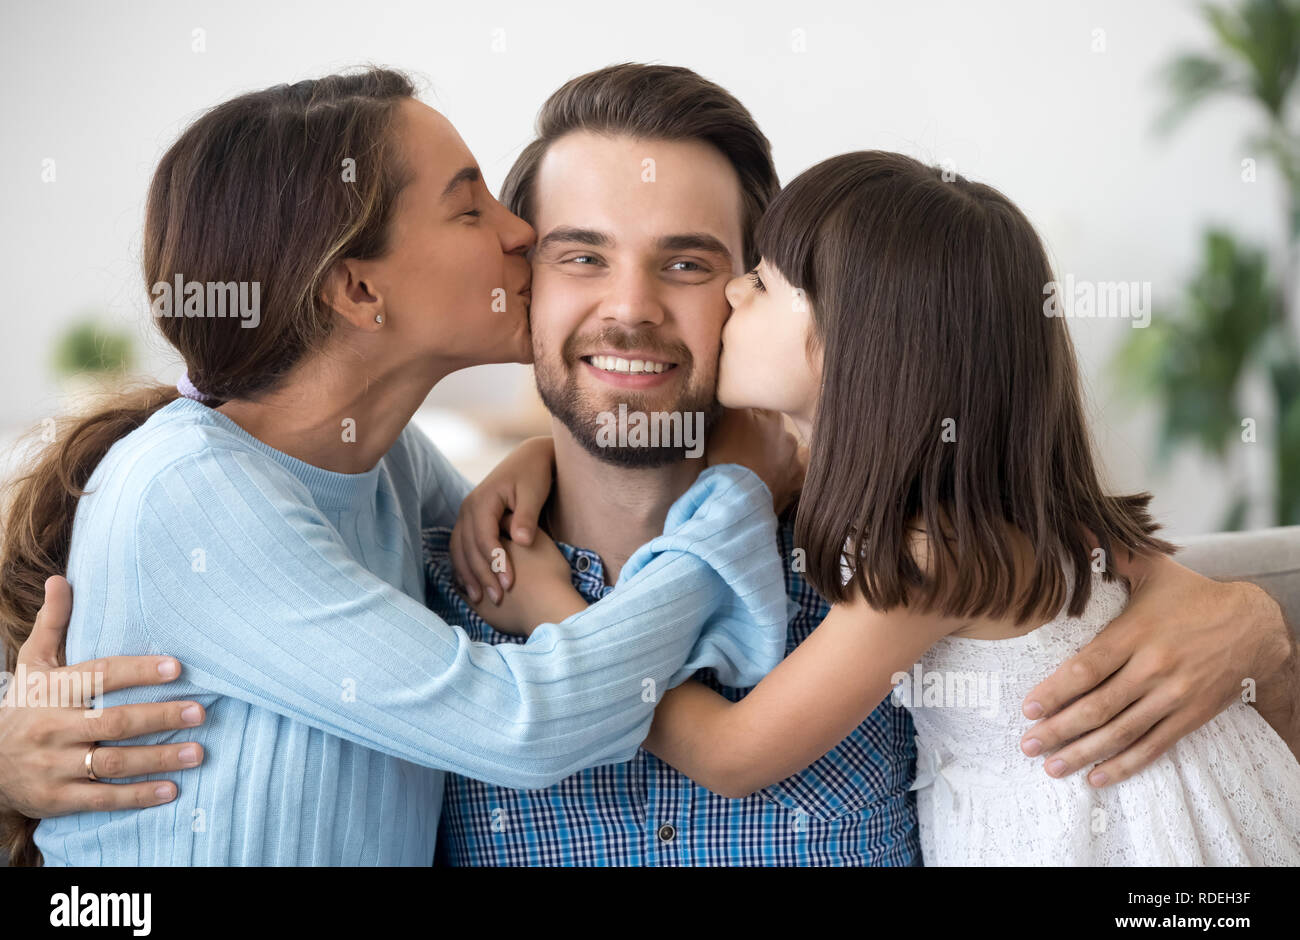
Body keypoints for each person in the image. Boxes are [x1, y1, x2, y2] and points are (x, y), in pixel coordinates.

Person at [432, 66, 1298, 865]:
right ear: (524, 285)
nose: (630, 306)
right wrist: (538, 453)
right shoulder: (429, 586)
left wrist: (1253, 620)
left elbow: (734, 755)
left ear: (855, 343)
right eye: (583, 256)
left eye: (701, 266)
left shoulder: (885, 546)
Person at [0, 67, 796, 866]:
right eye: (469, 208)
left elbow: (508, 553)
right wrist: (738, 500)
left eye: (687, 263)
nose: (520, 231)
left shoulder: (384, 463)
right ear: (357, 289)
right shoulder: (190, 488)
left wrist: (537, 458)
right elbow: (523, 724)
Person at [630, 151, 1300, 864]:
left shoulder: (932, 557)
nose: (733, 291)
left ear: (856, 342)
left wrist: (578, 638)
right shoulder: (990, 508)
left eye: (763, 281)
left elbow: (736, 755)